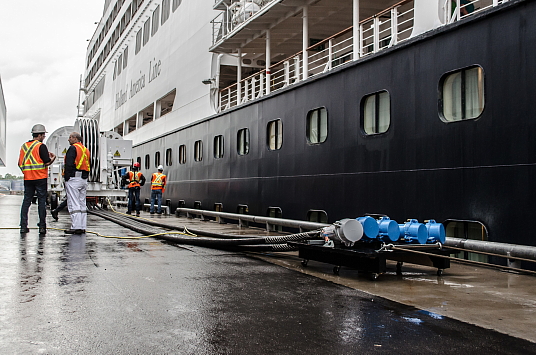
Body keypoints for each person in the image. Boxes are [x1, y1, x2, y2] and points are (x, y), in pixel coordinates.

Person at [19, 124, 56, 234]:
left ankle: (23, 226)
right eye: (43, 135)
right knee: (41, 202)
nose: (44, 137)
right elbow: (47, 162)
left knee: (26, 202)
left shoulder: (24, 146)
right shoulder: (41, 146)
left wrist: (27, 172)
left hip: (28, 178)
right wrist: (53, 158)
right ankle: (42, 226)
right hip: (40, 178)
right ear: (39, 135)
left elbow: (20, 163)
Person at [64, 132, 90, 234]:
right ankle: (82, 226)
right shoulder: (85, 149)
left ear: (75, 138)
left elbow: (69, 164)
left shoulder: (73, 148)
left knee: (73, 203)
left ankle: (76, 226)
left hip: (73, 178)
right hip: (83, 179)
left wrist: (66, 177)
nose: (68, 139)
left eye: (70, 137)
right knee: (82, 203)